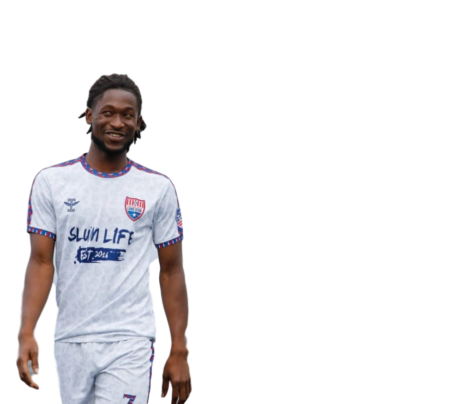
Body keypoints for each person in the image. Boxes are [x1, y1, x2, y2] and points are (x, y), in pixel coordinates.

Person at [16, 72, 192, 403]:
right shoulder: (52, 182)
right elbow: (40, 262)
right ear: (89, 116)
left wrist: (179, 348)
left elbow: (171, 270)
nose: (117, 122)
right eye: (108, 112)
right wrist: (26, 332)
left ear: (139, 123)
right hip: (70, 337)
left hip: (130, 338)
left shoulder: (158, 188)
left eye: (127, 115)